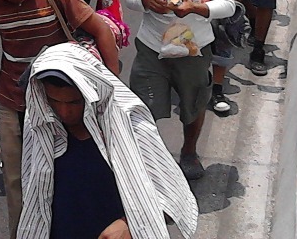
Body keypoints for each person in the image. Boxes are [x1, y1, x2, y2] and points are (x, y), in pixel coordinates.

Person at [0, 0, 120, 238]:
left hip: (61, 102)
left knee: (65, 174)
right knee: (17, 182)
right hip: (14, 102)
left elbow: (101, 31)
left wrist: (111, 88)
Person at [18, 44, 199, 239]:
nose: (63, 112)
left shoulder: (128, 122)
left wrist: (127, 225)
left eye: (73, 102)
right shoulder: (40, 122)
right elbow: (34, 192)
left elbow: (170, 192)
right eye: (54, 101)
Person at [121, 0, 235, 180]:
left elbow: (227, 4)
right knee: (142, 106)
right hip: (152, 45)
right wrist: (145, 0)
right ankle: (148, 160)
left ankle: (189, 152)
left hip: (193, 48)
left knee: (193, 104)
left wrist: (195, 7)